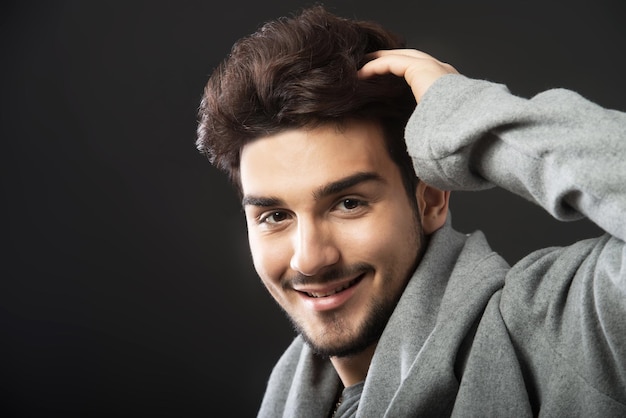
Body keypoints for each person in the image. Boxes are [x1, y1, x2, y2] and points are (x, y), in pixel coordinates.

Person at [196, 5, 626, 417]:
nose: (309, 259)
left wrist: (465, 118)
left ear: (431, 199)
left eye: (349, 204)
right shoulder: (291, 394)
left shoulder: (565, 333)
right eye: (275, 216)